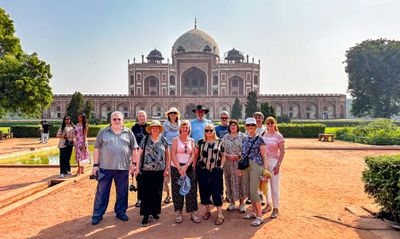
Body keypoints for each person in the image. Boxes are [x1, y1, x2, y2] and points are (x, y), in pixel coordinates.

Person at [91, 111, 138, 225]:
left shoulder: (128, 132)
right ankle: (98, 214)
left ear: (123, 120)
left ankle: (120, 212)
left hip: (122, 168)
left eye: (119, 119)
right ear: (110, 120)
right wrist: (95, 165)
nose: (117, 121)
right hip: (105, 167)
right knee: (102, 192)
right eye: (114, 119)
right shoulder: (103, 132)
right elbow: (96, 148)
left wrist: (134, 164)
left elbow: (134, 148)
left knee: (122, 192)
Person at [135, 120, 170, 227]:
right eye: (153, 128)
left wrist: (166, 168)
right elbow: (139, 154)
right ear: (150, 129)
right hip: (146, 170)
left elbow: (167, 155)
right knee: (146, 193)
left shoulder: (163, 139)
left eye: (157, 127)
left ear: (159, 129)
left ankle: (154, 212)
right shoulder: (145, 139)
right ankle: (146, 215)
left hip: (159, 170)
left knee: (157, 192)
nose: (155, 129)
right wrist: (137, 168)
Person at [193, 124, 226, 225]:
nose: (209, 133)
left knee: (216, 191)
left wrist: (221, 166)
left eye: (211, 130)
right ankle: (207, 211)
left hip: (215, 170)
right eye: (207, 131)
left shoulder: (219, 142)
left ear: (214, 131)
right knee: (204, 190)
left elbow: (223, 154)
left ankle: (220, 214)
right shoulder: (200, 142)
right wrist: (194, 168)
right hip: (202, 169)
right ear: (204, 132)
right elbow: (195, 155)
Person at [239, 117, 268, 227]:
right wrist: (240, 168)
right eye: (248, 125)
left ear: (256, 126)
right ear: (245, 127)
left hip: (256, 165)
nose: (250, 127)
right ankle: (253, 212)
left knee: (254, 191)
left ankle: (259, 217)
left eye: (253, 125)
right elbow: (243, 154)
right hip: (246, 166)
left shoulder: (260, 139)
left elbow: (264, 156)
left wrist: (265, 170)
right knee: (249, 191)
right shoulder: (245, 139)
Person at [170, 120, 200, 224]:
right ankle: (179, 213)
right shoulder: (175, 140)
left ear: (189, 129)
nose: (185, 129)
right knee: (177, 190)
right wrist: (179, 168)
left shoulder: (192, 140)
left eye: (187, 127)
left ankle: (193, 213)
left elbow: (193, 155)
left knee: (191, 190)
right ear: (180, 128)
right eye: (183, 127)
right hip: (176, 168)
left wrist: (186, 166)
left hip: (188, 168)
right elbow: (172, 154)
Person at [261, 116, 285, 218]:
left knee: (274, 186)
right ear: (266, 125)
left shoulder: (278, 136)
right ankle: (268, 205)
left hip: (274, 162)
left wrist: (278, 165)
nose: (270, 125)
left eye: (272, 123)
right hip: (264, 163)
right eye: (268, 124)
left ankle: (276, 208)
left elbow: (283, 152)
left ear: (274, 124)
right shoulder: (263, 135)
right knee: (266, 186)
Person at [221, 120, 247, 213]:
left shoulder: (243, 136)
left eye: (234, 125)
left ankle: (242, 203)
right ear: (229, 127)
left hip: (239, 163)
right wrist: (227, 155)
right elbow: (222, 149)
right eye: (231, 125)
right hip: (228, 164)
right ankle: (232, 202)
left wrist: (238, 156)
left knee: (241, 182)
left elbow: (246, 149)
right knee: (229, 181)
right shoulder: (225, 137)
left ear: (237, 126)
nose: (233, 127)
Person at [162, 107, 181, 204]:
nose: (173, 114)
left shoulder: (181, 124)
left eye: (174, 113)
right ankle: (168, 194)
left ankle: (179, 193)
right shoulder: (165, 125)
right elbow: (162, 138)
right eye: (171, 113)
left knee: (179, 171)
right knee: (167, 172)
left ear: (177, 114)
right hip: (168, 149)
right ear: (168, 115)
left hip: (179, 150)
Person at [131, 110, 149, 208]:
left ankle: (148, 198)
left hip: (149, 156)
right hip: (138, 155)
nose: (142, 118)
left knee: (148, 178)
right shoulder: (134, 128)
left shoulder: (150, 127)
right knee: (140, 178)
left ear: (146, 117)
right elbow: (131, 143)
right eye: (140, 116)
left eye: (143, 116)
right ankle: (139, 199)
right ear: (138, 117)